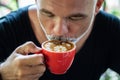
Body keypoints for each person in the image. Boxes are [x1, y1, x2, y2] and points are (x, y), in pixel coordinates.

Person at [0, 0, 120, 80]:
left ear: (98, 5)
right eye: (48, 14)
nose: (59, 31)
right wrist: (3, 73)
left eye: (75, 17)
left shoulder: (111, 30)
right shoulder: (7, 29)